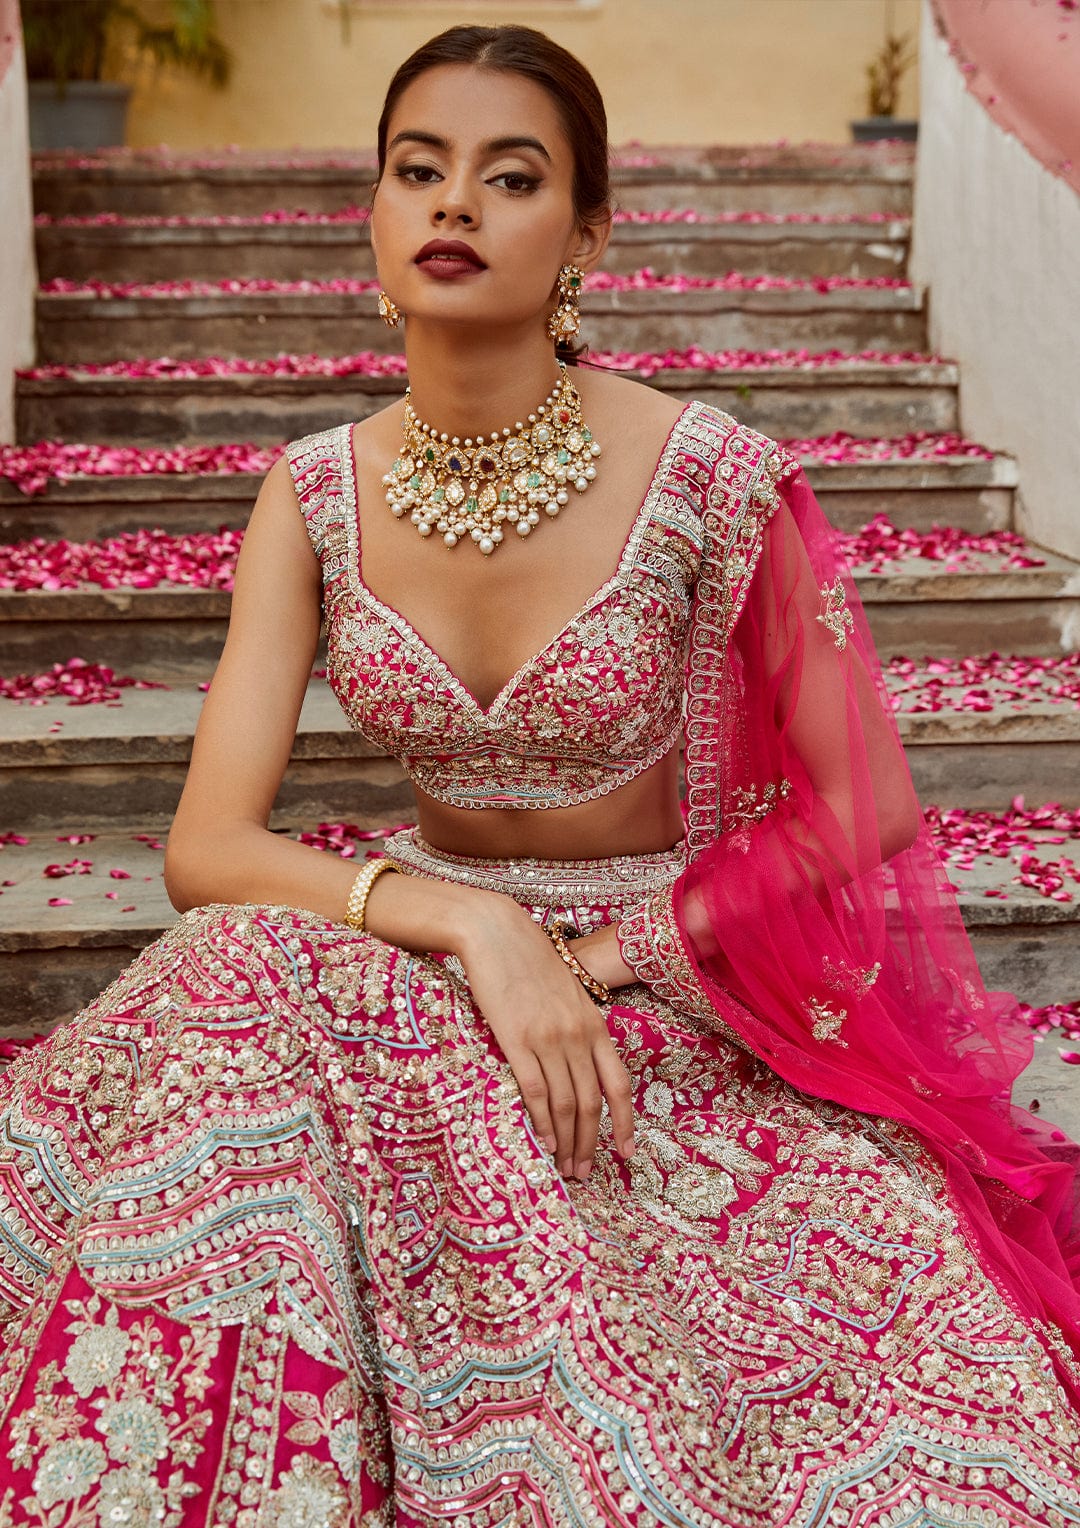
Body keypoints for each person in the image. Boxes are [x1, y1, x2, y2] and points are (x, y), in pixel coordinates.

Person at [1, 23, 1079, 1526]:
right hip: (428, 952)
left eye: (511, 178)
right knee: (235, 963)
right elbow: (208, 845)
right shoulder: (312, 491)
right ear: (374, 214)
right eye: (417, 170)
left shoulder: (709, 476)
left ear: (585, 232)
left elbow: (864, 808)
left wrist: (601, 952)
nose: (454, 207)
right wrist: (477, 927)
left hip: (661, 977)